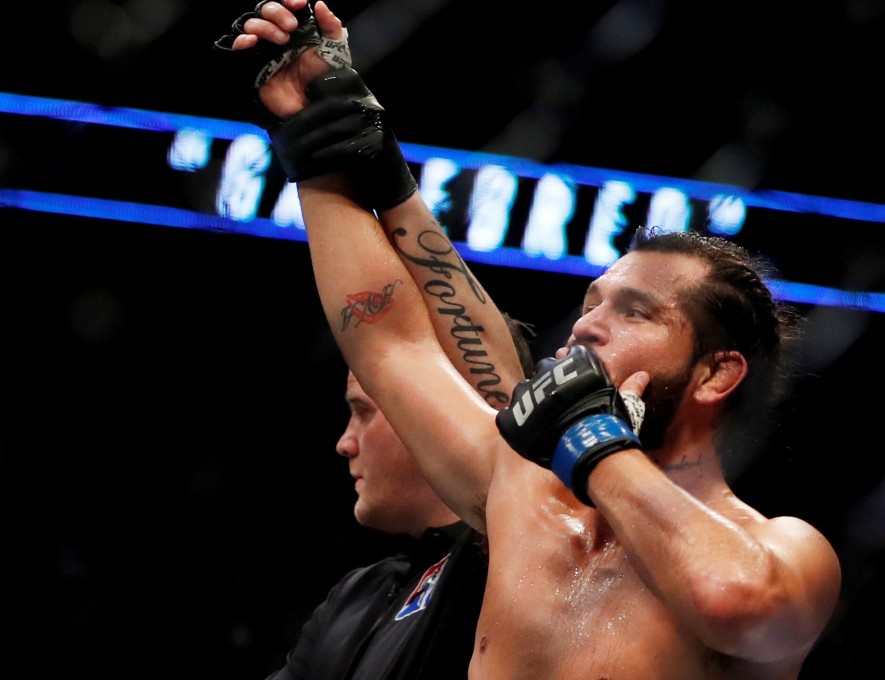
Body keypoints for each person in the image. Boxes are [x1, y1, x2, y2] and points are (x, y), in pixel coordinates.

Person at [220, 2, 843, 677]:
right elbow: (389, 339)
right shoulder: (518, 493)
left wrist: (597, 446)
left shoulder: (784, 549)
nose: (585, 326)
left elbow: (733, 603)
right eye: (589, 305)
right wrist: (314, 141)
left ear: (716, 374)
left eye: (634, 313)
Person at [268, 314, 535, 680]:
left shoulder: (517, 564)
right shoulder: (352, 596)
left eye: (363, 412)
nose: (345, 443)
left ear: (430, 413)